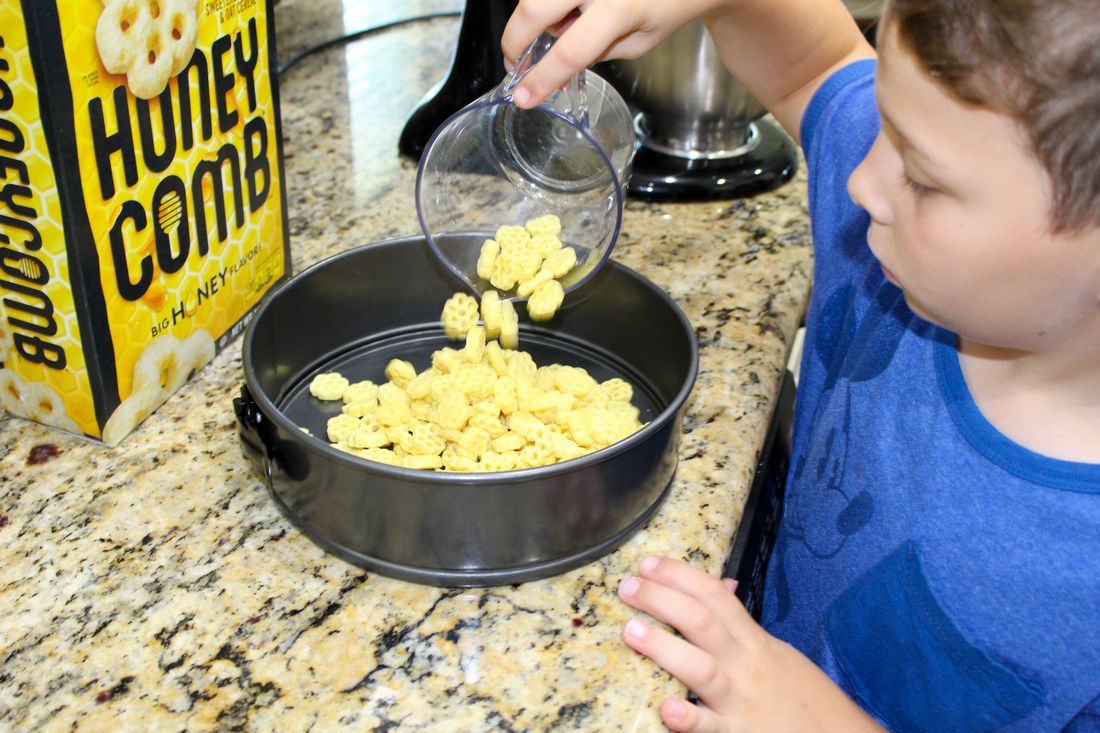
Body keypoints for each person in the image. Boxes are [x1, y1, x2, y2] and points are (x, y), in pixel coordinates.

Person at [503, 0, 1100, 730]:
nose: (862, 182)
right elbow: (813, 64)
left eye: (922, 176)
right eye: (884, 121)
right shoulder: (908, 239)